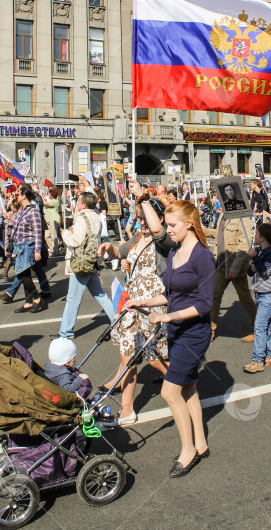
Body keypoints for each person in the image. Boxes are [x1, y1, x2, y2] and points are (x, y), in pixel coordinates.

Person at [128, 201, 215, 478]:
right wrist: (143, 301)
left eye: (173, 225)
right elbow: (171, 294)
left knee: (169, 391)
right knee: (188, 388)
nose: (168, 230)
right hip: (177, 330)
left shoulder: (202, 257)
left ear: (189, 224)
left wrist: (168, 317)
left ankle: (187, 450)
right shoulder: (176, 251)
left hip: (195, 333)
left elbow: (204, 304)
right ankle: (200, 443)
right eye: (167, 224)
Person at [100, 182, 173, 426]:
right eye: (139, 218)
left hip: (152, 305)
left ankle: (179, 379)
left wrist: (142, 196)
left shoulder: (164, 243)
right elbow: (118, 252)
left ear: (159, 218)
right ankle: (127, 409)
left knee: (153, 358)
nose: (142, 222)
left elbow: (159, 234)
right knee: (128, 355)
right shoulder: (136, 240)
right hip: (132, 304)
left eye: (146, 218)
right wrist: (107, 247)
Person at [53, 192, 114, 339]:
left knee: (73, 298)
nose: (77, 203)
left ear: (84, 204)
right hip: (92, 260)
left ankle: (65, 332)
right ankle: (118, 319)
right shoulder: (97, 216)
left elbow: (77, 240)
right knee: (99, 294)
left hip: (81, 261)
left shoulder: (81, 217)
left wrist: (65, 234)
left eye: (79, 201)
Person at [204, 214, 256, 342]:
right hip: (221, 264)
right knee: (214, 296)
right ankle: (210, 330)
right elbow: (221, 234)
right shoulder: (222, 214)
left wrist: (235, 267)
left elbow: (245, 243)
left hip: (234, 265)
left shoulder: (242, 216)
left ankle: (258, 329)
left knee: (245, 298)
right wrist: (204, 230)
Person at [244, 223, 271, 373]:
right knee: (269, 324)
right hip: (261, 293)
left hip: (270, 293)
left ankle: (258, 360)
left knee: (259, 326)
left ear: (262, 237)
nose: (254, 235)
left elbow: (264, 272)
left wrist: (255, 259)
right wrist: (255, 261)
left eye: (257, 233)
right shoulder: (260, 251)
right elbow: (250, 270)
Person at [11, 184, 44, 314]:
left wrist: (37, 250)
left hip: (28, 245)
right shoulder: (21, 209)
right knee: (24, 274)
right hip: (19, 245)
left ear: (24, 196)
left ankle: (37, 298)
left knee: (22, 274)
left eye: (18, 194)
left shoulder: (33, 210)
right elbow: (16, 225)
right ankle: (28, 301)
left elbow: (37, 231)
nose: (16, 196)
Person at [43, 186, 61, 257]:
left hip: (54, 220)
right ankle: (52, 248)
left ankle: (55, 250)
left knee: (54, 236)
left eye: (49, 194)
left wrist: (42, 197)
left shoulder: (55, 201)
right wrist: (44, 197)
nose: (48, 195)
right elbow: (45, 202)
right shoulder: (51, 201)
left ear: (52, 194)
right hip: (48, 220)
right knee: (46, 236)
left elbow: (45, 203)